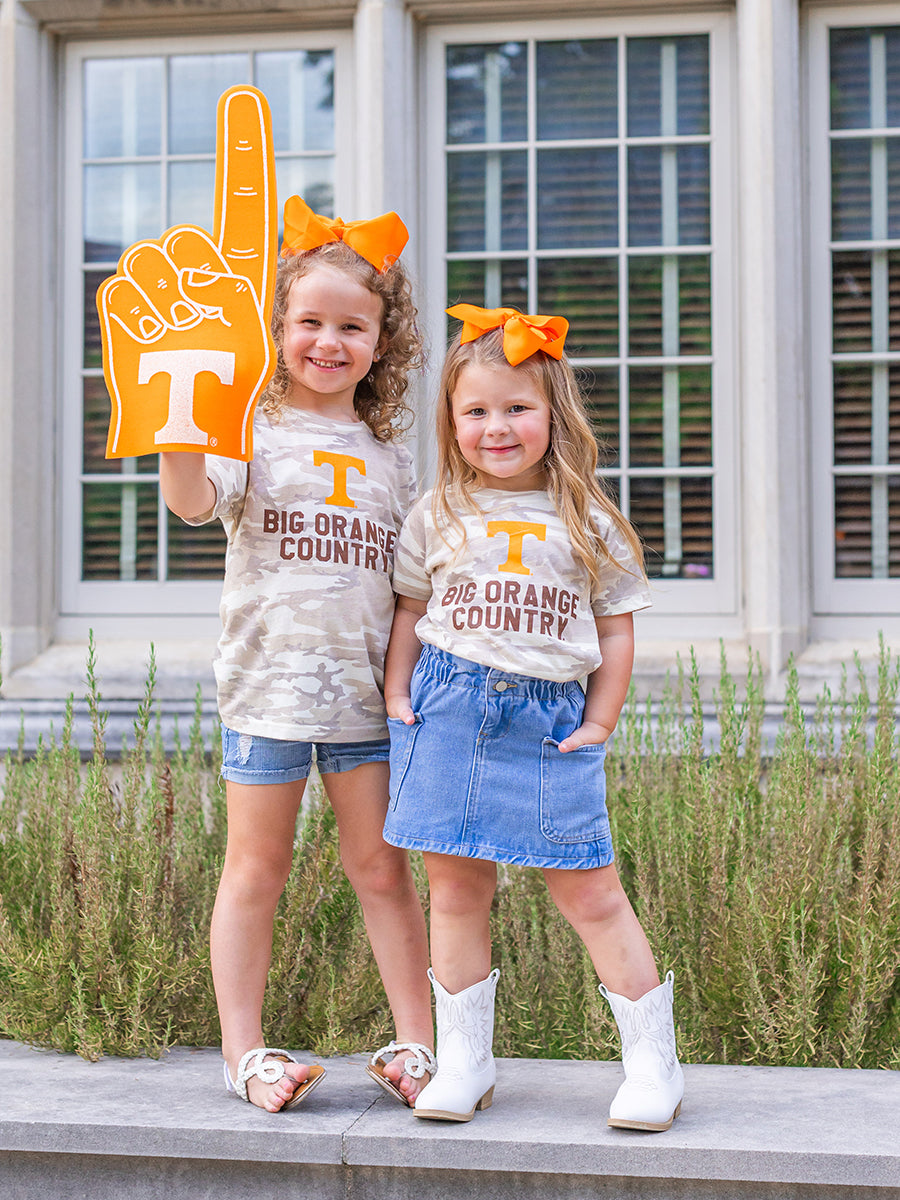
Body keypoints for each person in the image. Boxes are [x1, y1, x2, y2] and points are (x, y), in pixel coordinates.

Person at [160, 195, 434, 1112]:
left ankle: (417, 1045)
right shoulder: (251, 428)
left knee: (383, 872)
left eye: (352, 326)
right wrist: (178, 436)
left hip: (367, 703)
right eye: (308, 321)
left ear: (381, 343)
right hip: (268, 692)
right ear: (275, 329)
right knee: (255, 871)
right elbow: (197, 503)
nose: (329, 340)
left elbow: (413, 588)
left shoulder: (394, 458)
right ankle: (245, 1053)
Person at [382, 303, 684, 1131]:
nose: (496, 427)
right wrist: (398, 695)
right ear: (451, 420)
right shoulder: (435, 512)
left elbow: (616, 628)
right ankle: (467, 1063)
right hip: (445, 710)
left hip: (549, 724)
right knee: (454, 890)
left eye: (516, 408)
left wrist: (602, 721)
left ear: (554, 413)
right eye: (475, 410)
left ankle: (655, 1065)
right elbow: (411, 611)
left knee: (592, 893)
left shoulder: (587, 518)